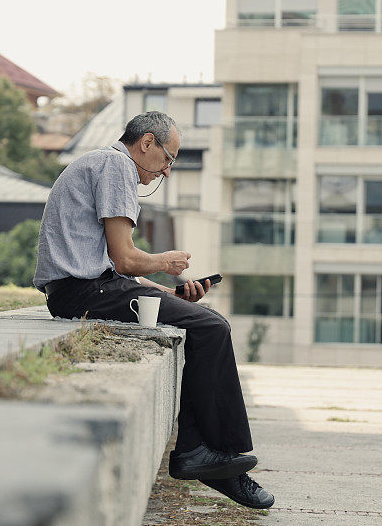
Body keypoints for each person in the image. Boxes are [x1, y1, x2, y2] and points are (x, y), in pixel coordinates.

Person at [33, 111, 274, 510]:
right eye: (168, 158)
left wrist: (172, 293)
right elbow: (125, 260)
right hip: (82, 293)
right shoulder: (116, 165)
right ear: (146, 143)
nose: (166, 170)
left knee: (205, 323)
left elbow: (113, 268)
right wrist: (165, 260)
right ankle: (209, 456)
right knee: (213, 328)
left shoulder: (102, 164)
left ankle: (206, 454)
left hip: (88, 287)